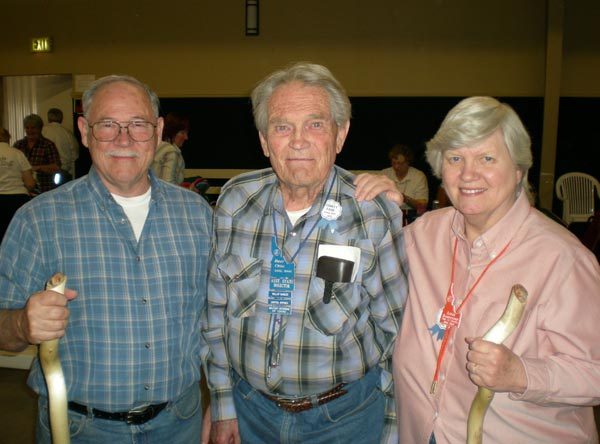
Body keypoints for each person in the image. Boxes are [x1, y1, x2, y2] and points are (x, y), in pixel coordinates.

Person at [202, 62, 408, 444]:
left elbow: (399, 337)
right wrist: (223, 403)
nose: (298, 141)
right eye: (282, 127)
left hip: (345, 421)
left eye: (315, 124)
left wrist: (392, 432)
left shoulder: (372, 214)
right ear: (264, 140)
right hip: (250, 416)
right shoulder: (235, 201)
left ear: (340, 134)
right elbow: (214, 316)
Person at [0, 75, 213, 443]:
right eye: (108, 125)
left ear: (157, 131)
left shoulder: (197, 215)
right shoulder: (38, 220)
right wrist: (22, 324)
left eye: (138, 125)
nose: (123, 139)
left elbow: (219, 322)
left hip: (180, 423)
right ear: (85, 132)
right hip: (82, 429)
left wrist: (223, 403)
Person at [391, 96, 600, 443]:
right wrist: (374, 202)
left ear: (518, 170)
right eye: (455, 158)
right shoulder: (421, 237)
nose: (468, 174)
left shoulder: (563, 261)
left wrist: (522, 374)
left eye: (487, 158)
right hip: (418, 431)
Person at [0, 127, 35, 240]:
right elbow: (30, 183)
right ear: (8, 138)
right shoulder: (17, 153)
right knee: (16, 236)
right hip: (17, 199)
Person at [13, 113, 62, 193]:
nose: (29, 131)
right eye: (27, 128)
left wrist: (37, 168)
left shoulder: (48, 145)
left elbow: (56, 167)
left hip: (43, 189)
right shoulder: (18, 145)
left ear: (40, 129)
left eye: (33, 128)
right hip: (22, 189)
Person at [381, 143, 429, 211]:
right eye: (394, 163)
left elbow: (422, 208)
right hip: (389, 213)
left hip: (410, 214)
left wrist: (405, 199)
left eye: (400, 163)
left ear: (408, 162)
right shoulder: (385, 174)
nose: (396, 167)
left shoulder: (419, 177)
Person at [151, 112, 189, 185]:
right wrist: (189, 190)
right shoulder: (171, 152)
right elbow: (168, 185)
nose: (186, 137)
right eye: (182, 133)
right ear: (172, 132)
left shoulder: (156, 147)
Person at [42, 107, 80, 181]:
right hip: (63, 171)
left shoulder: (42, 131)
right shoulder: (68, 133)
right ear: (61, 118)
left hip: (45, 171)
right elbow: (75, 155)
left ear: (48, 118)